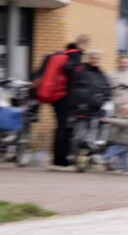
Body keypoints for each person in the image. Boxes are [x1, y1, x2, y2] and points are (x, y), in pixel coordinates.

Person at [32, 35, 94, 169]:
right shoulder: (75, 54)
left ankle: (59, 157)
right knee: (64, 128)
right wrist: (79, 70)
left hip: (57, 96)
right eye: (86, 44)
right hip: (63, 96)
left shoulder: (67, 52)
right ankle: (61, 159)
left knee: (61, 126)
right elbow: (69, 68)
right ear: (83, 43)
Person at [101, 52, 128, 172]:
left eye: (126, 62)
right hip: (119, 109)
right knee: (120, 138)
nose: (124, 64)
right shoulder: (111, 76)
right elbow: (107, 92)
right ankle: (111, 160)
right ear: (117, 63)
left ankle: (125, 163)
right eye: (122, 62)